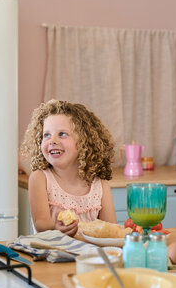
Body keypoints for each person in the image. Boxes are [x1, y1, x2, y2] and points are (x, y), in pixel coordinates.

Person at [20, 99, 117, 236]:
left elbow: (111, 230)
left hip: (90, 256)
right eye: (46, 135)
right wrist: (55, 228)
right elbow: (40, 223)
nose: (52, 140)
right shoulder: (40, 178)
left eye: (62, 134)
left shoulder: (100, 187)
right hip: (51, 254)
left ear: (84, 141)